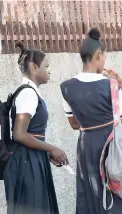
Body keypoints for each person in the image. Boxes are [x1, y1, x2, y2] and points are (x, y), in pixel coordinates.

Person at [60, 27, 122, 214]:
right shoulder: (110, 85)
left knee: (92, 194)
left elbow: (74, 124)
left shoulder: (66, 87)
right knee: (120, 189)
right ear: (99, 55)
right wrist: (121, 86)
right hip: (113, 143)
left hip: (86, 146)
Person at [4, 42, 68, 214]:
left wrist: (45, 153)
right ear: (34, 67)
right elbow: (19, 134)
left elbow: (29, 134)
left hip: (31, 158)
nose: (49, 71)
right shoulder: (28, 94)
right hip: (25, 163)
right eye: (46, 66)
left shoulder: (31, 93)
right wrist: (53, 148)